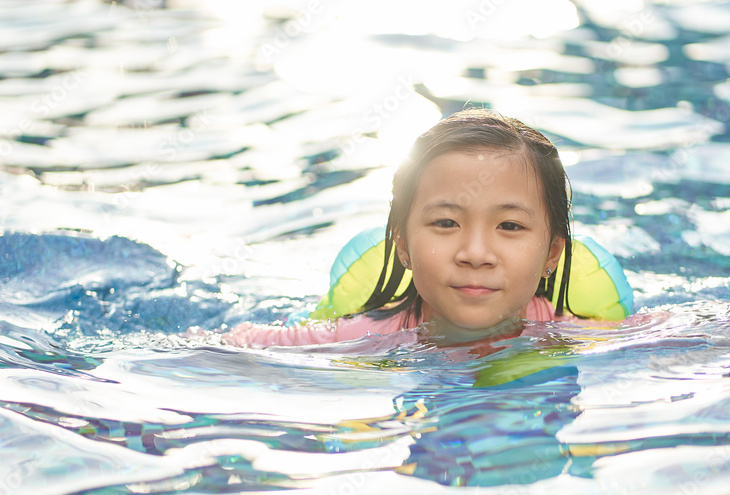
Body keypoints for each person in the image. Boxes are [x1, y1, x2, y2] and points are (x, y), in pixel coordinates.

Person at [220, 108, 621, 348]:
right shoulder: (359, 337)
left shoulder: (582, 338)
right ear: (403, 245)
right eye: (446, 222)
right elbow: (236, 344)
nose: (475, 253)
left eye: (510, 225)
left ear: (552, 253)